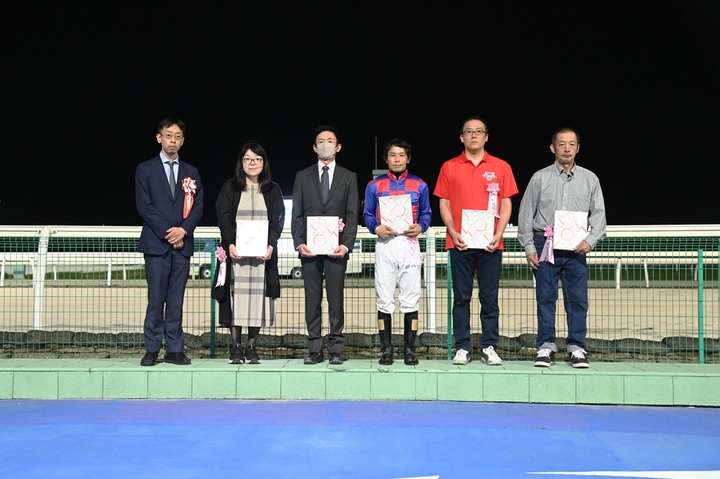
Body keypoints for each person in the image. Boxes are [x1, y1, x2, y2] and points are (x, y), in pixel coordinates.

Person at [517, 127, 607, 368]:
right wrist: (529, 247)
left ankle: (576, 347)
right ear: (552, 148)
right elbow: (525, 214)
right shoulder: (539, 178)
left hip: (576, 248)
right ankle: (546, 346)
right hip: (545, 244)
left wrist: (590, 240)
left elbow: (599, 216)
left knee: (577, 300)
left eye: (571, 144)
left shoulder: (590, 179)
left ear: (578, 148)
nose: (567, 149)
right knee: (545, 298)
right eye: (561, 144)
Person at [433, 115, 519, 366]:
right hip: (460, 242)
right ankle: (463, 346)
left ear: (486, 137)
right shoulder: (449, 166)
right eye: (468, 131)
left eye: (479, 131)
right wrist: (452, 231)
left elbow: (506, 202)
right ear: (461, 137)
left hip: (491, 243)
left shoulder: (501, 167)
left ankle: (489, 346)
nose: (473, 135)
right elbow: (444, 202)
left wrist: (499, 233)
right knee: (461, 298)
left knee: (489, 298)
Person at [135, 116, 204, 366]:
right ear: (159, 138)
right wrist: (169, 232)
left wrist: (183, 231)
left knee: (176, 299)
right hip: (156, 245)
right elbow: (144, 206)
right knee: (156, 299)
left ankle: (175, 348)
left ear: (182, 141)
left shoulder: (191, 172)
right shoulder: (145, 169)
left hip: (182, 246)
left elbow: (198, 206)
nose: (172, 140)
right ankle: (152, 348)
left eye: (177, 137)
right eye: (168, 136)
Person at [291, 125, 359, 365]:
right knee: (312, 299)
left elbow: (352, 214)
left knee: (335, 299)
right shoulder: (302, 176)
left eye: (330, 141)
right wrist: (299, 243)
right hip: (309, 250)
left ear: (338, 147)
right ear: (314, 147)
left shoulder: (349, 177)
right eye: (321, 141)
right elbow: (297, 214)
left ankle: (336, 349)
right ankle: (314, 349)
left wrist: (346, 245)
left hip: (336, 250)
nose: (325, 144)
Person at [213, 142, 285, 364]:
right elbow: (223, 218)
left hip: (263, 258)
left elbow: (277, 221)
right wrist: (230, 244)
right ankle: (236, 347)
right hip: (236, 257)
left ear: (264, 163)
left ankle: (252, 347)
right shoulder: (230, 188)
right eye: (247, 159)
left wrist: (270, 245)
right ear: (241, 163)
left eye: (257, 159)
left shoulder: (273, 190)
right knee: (235, 300)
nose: (252, 163)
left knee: (258, 302)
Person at [363, 138, 432, 366]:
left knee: (411, 299)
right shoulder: (374, 185)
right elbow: (368, 215)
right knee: (384, 299)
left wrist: (421, 226)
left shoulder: (420, 185)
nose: (397, 159)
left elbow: (426, 213)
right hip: (385, 244)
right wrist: (376, 228)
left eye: (401, 155)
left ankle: (409, 350)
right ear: (386, 159)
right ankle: (386, 350)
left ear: (408, 158)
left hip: (409, 243)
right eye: (393, 155)